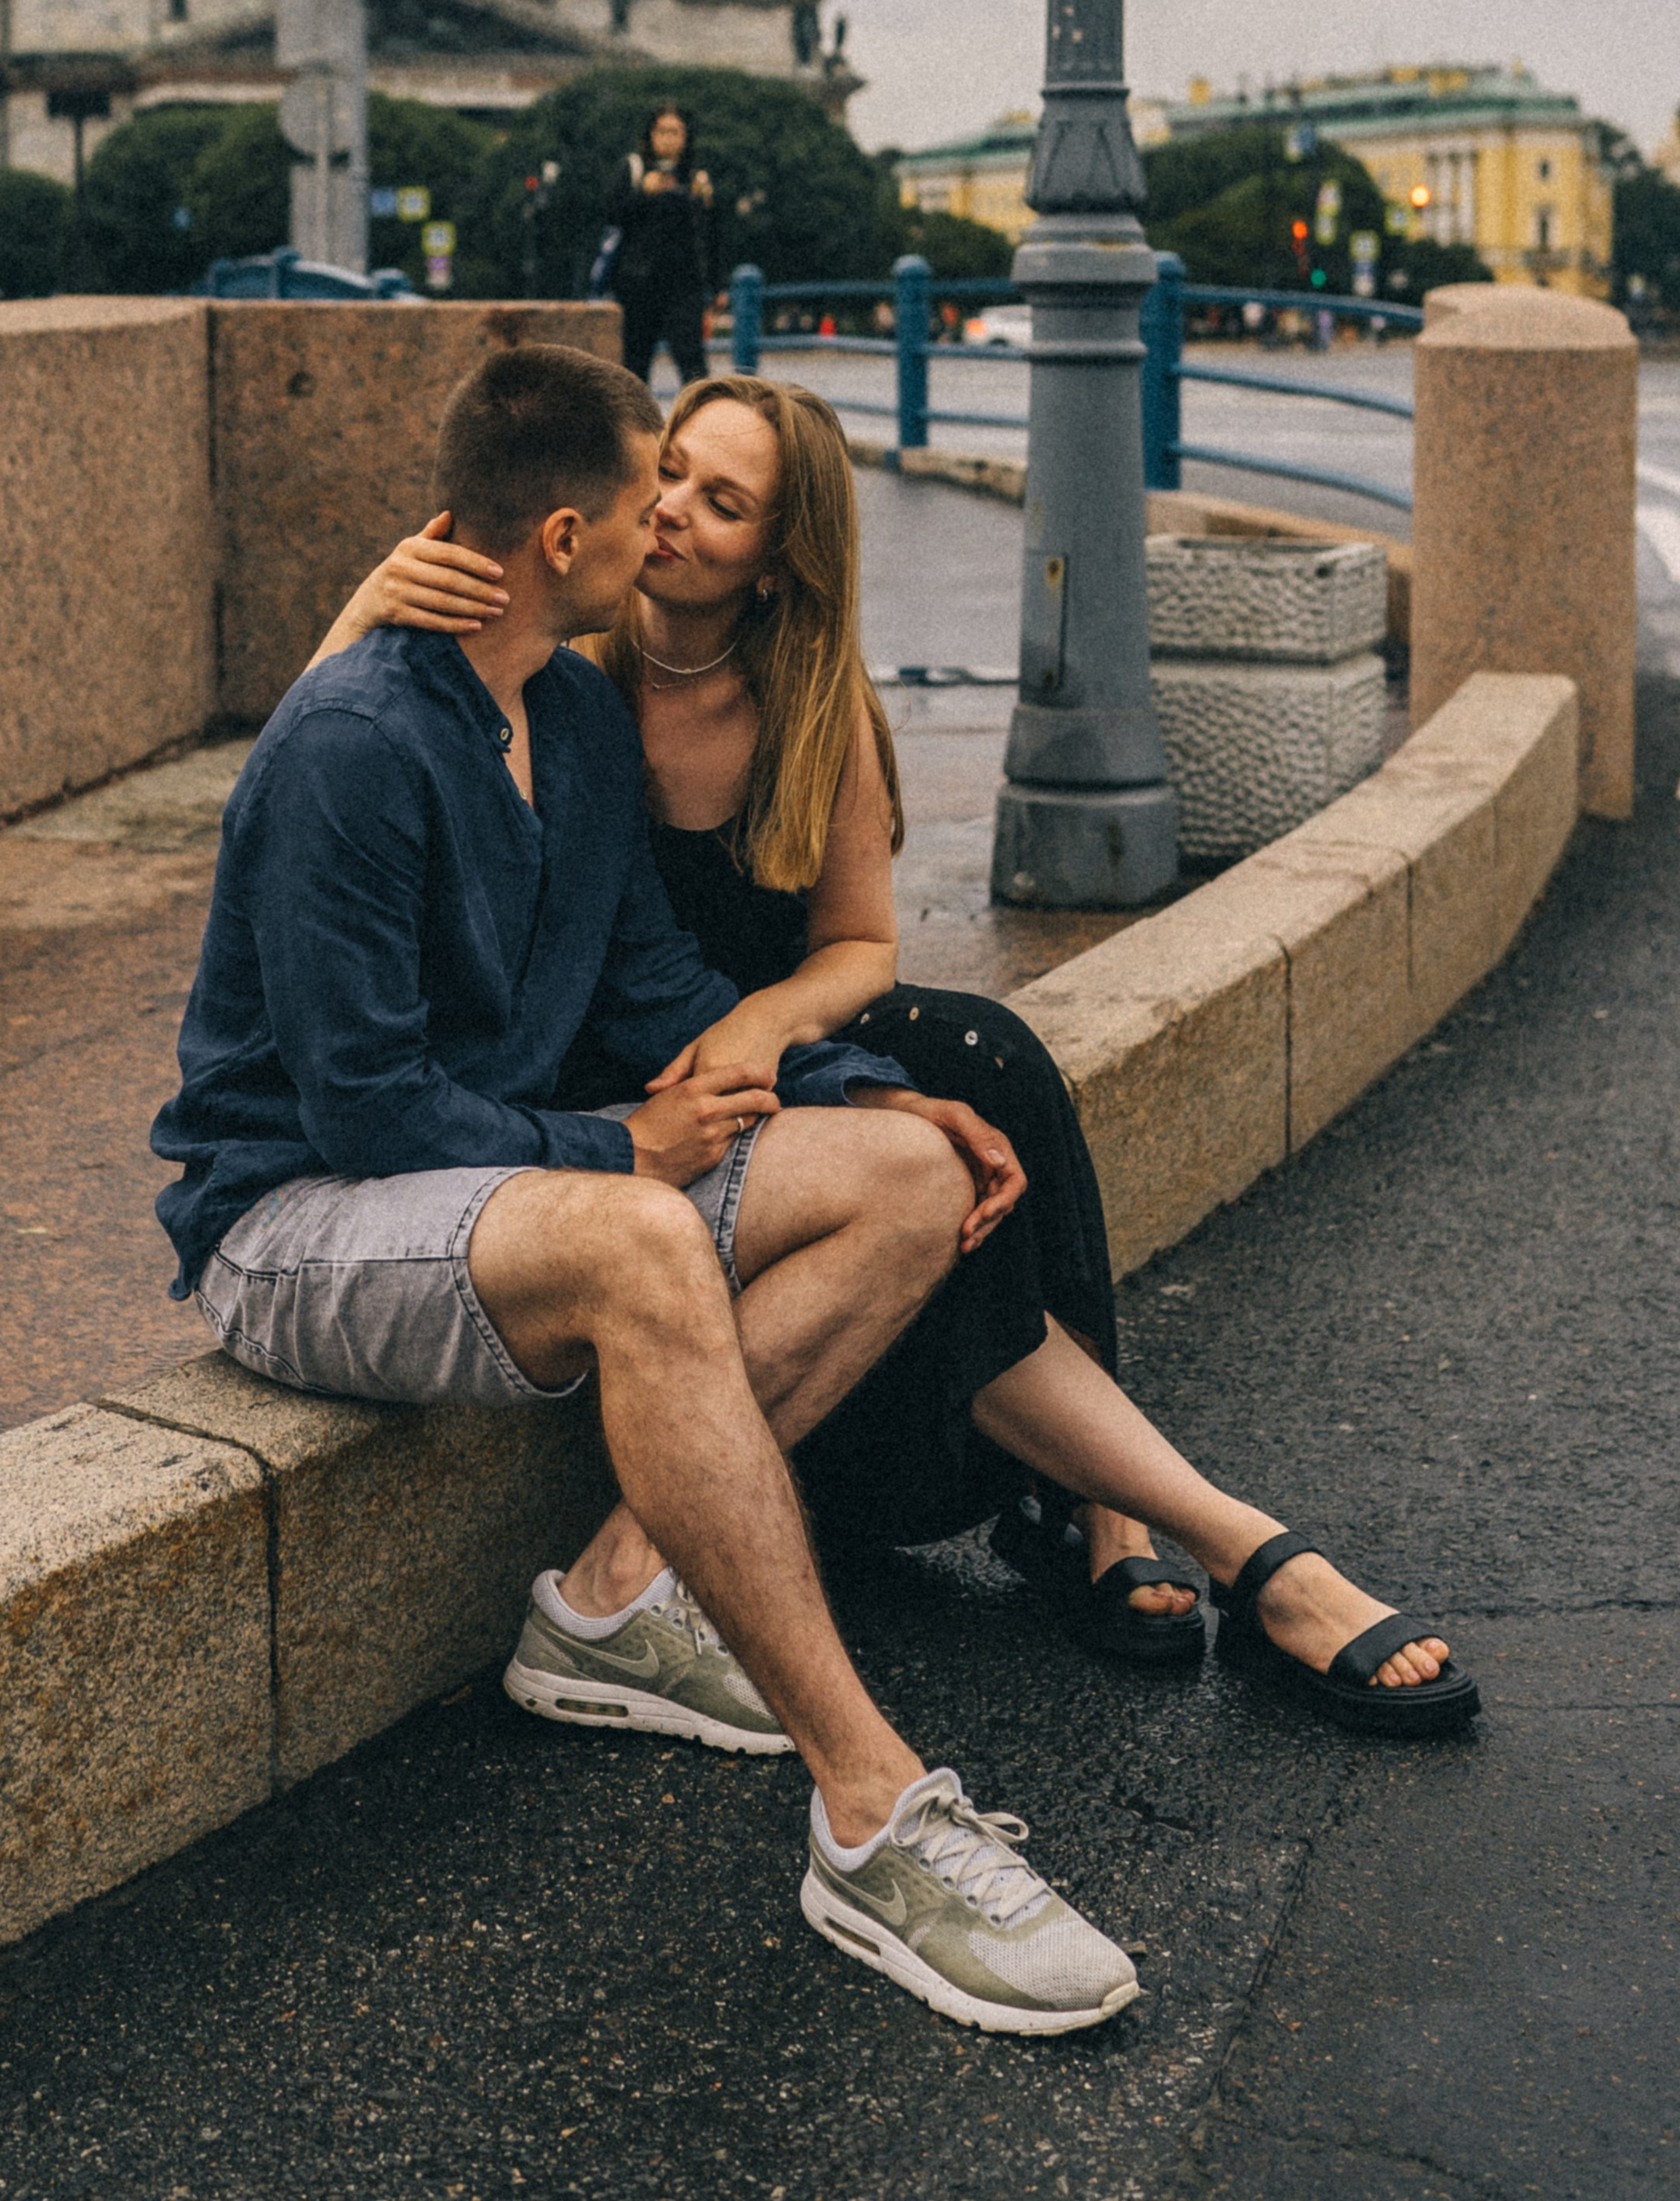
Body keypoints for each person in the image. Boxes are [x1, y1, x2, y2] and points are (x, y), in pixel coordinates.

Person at [156, 342, 1144, 2039]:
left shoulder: (570, 726)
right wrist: (620, 1153)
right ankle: (871, 1812)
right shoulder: (354, 743)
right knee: (635, 1241)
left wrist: (868, 1092)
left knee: (905, 1182)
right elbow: (366, 1104)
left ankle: (611, 1608)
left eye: (702, 497)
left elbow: (650, 996)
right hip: (295, 1222)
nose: (663, 531)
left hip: (489, 1186)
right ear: (562, 536)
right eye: (645, 499)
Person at [316, 369, 1478, 1735]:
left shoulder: (809, 703)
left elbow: (855, 946)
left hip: (720, 1033)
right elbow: (342, 769)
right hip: (599, 1072)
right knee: (936, 1121)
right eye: (668, 475)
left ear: (777, 559)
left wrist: (785, 1035)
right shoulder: (574, 665)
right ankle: (1231, 1543)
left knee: (978, 1058)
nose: (673, 510)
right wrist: (363, 608)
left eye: (721, 499)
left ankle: (1109, 1508)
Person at [604, 104, 713, 387]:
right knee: (635, 367)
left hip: (683, 286)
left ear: (686, 137)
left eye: (676, 132)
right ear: (650, 135)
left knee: (694, 367)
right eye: (662, 131)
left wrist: (702, 200)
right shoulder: (634, 169)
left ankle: (701, 427)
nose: (669, 138)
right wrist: (642, 194)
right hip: (638, 285)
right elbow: (611, 216)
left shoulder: (695, 177)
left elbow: (710, 234)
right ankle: (639, 430)